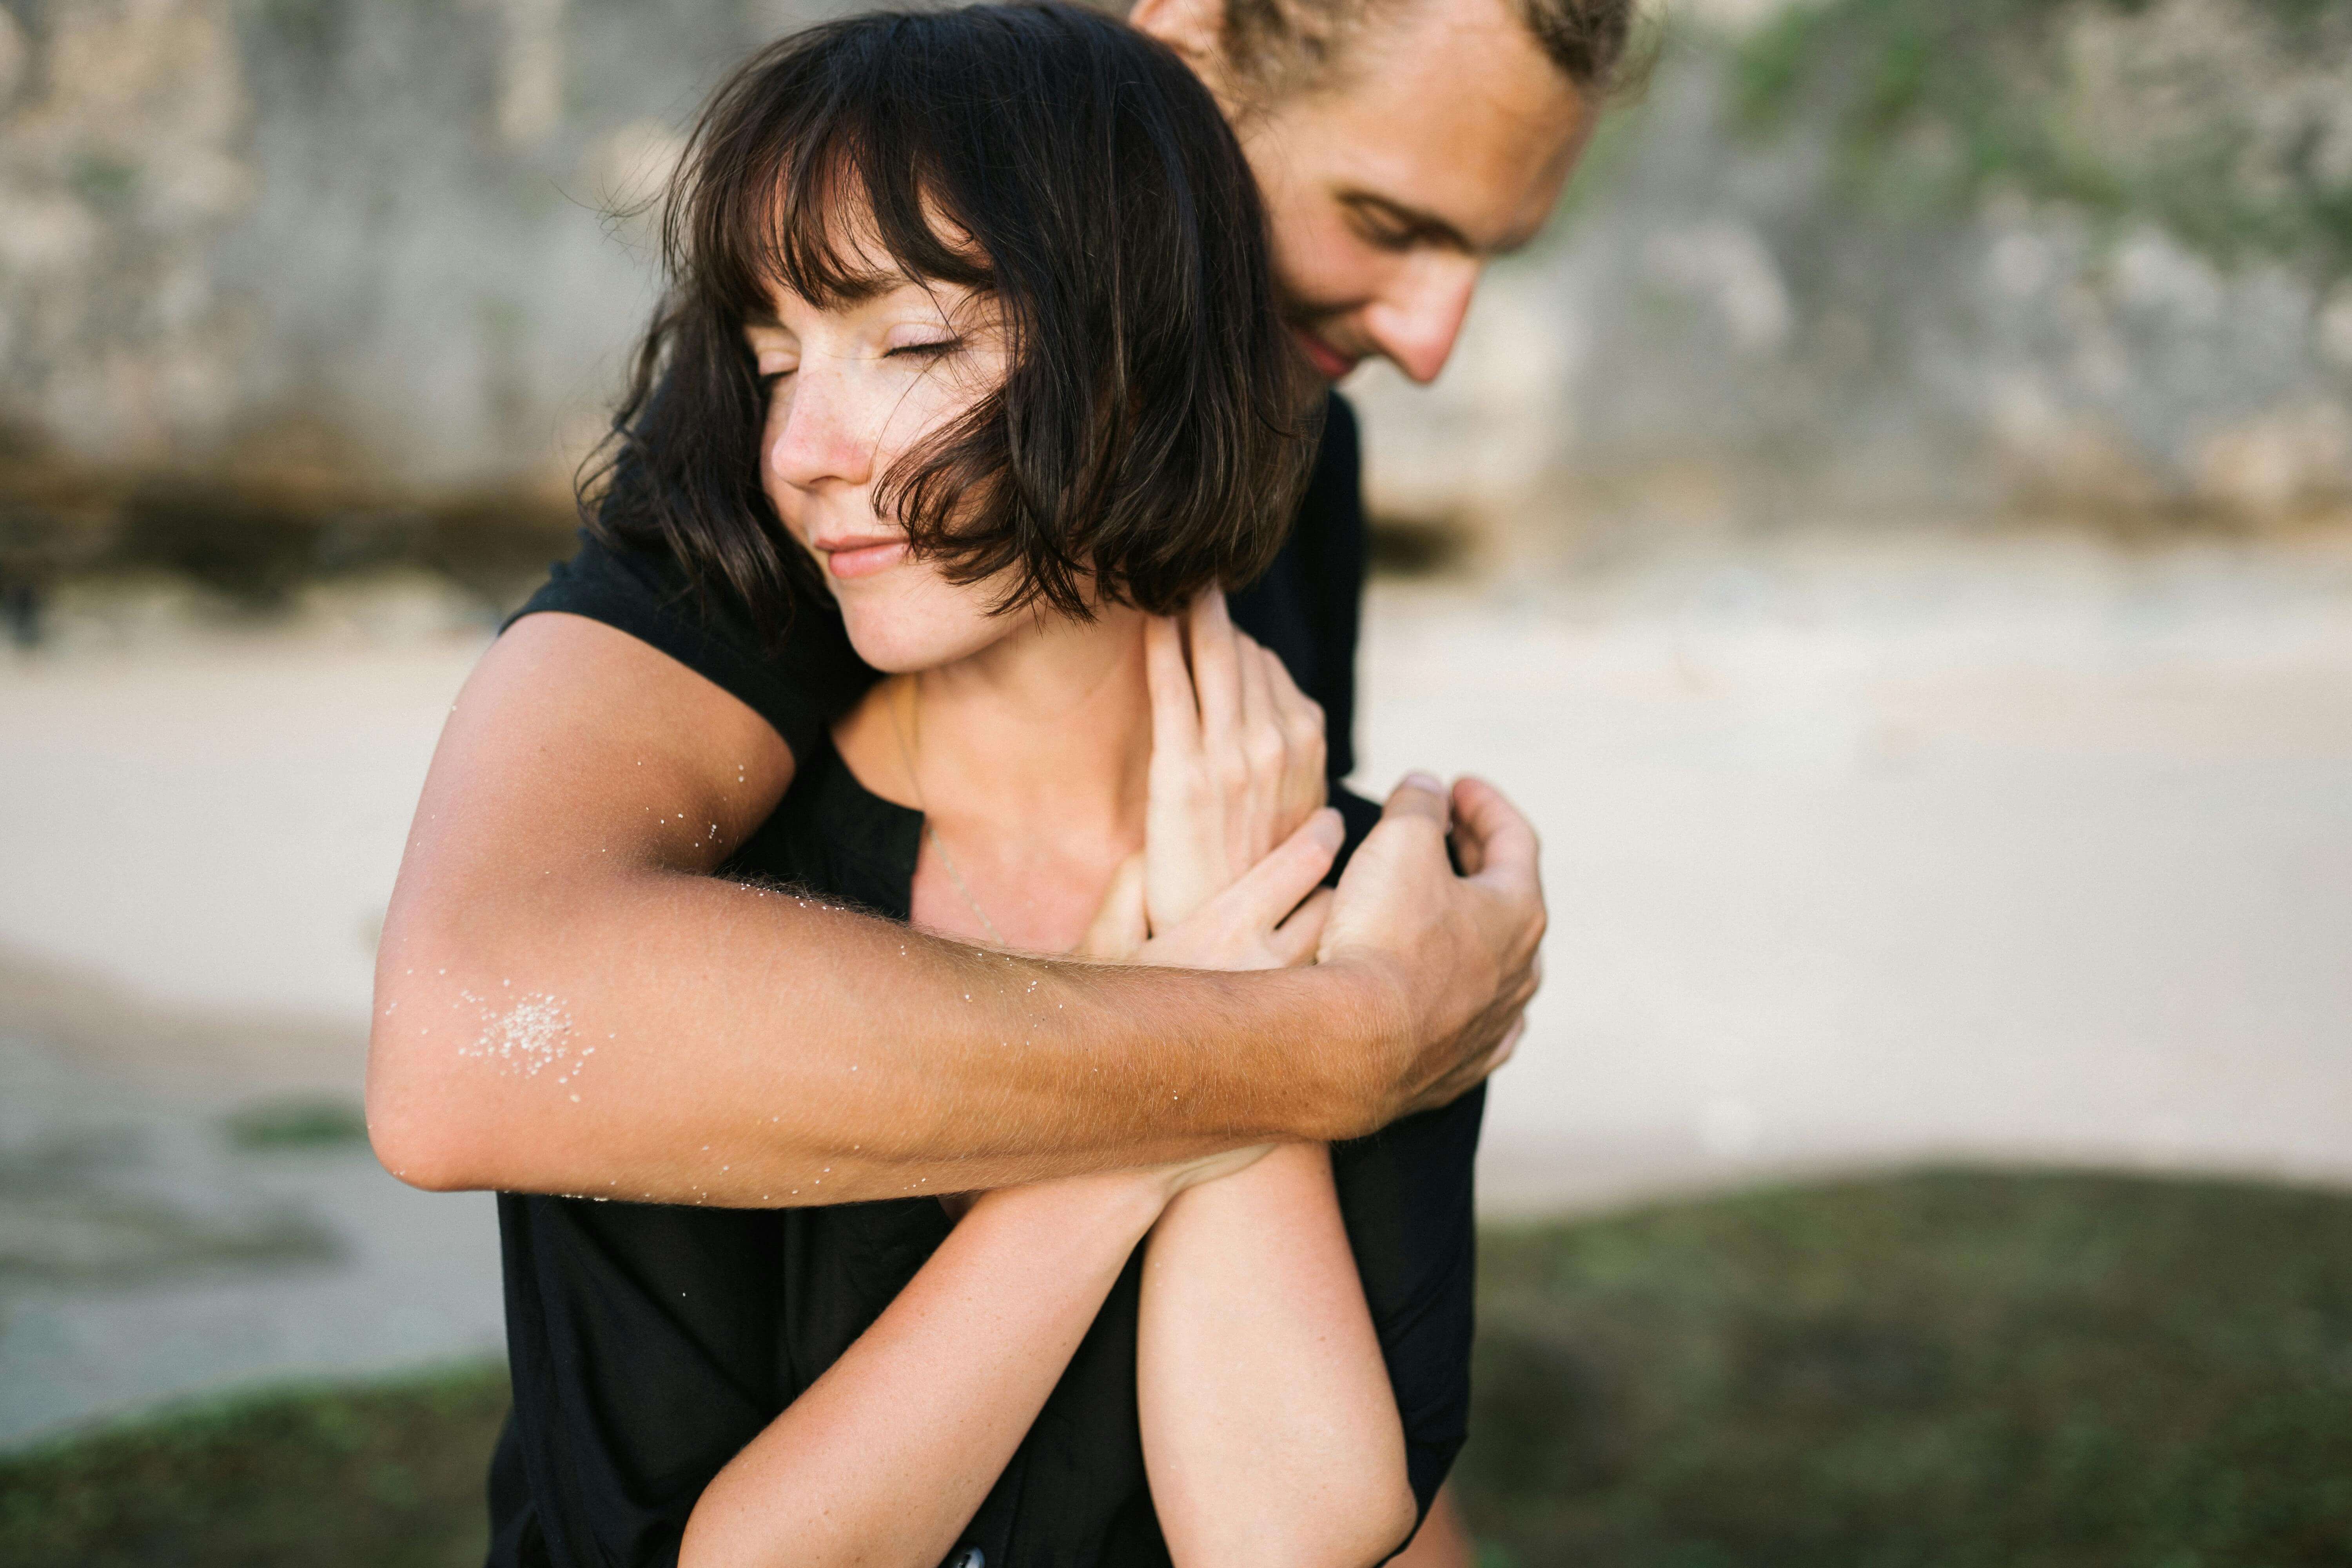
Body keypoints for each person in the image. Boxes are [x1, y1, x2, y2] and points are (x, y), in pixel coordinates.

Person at [491, 10, 1485, 1564]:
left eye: (911, 345)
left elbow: (1289, 1537)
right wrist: (1205, 1050)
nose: (802, 448)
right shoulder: (686, 923)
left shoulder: (1381, 912)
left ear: (1141, 349)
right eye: (772, 361)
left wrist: (1245, 932)